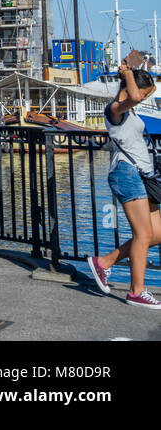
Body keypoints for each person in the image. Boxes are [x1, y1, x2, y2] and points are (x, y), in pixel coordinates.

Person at [88, 54, 161, 308]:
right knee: (142, 234)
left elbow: (136, 98)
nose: (147, 98)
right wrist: (127, 73)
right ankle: (136, 291)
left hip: (143, 176)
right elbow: (134, 97)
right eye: (146, 93)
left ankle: (104, 262)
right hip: (126, 173)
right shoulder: (114, 110)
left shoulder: (131, 111)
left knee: (156, 234)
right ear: (134, 88)